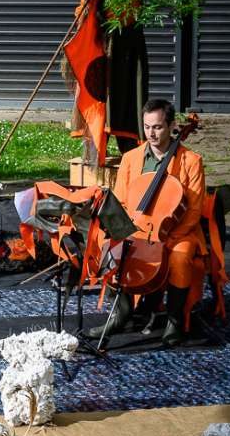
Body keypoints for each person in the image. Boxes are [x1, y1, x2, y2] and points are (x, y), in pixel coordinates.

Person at [88, 98, 206, 347]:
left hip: (177, 230)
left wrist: (168, 237)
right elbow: (119, 201)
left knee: (180, 256)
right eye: (147, 126)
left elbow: (194, 210)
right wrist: (121, 230)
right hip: (137, 226)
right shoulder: (131, 159)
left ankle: (173, 320)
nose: (151, 133)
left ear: (172, 125)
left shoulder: (191, 161)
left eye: (158, 127)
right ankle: (120, 314)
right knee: (109, 246)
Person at [63, 0, 149, 159]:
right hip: (99, 54)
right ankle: (93, 155)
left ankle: (131, 154)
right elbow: (81, 15)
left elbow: (128, 16)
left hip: (124, 57)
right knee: (97, 102)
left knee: (123, 103)